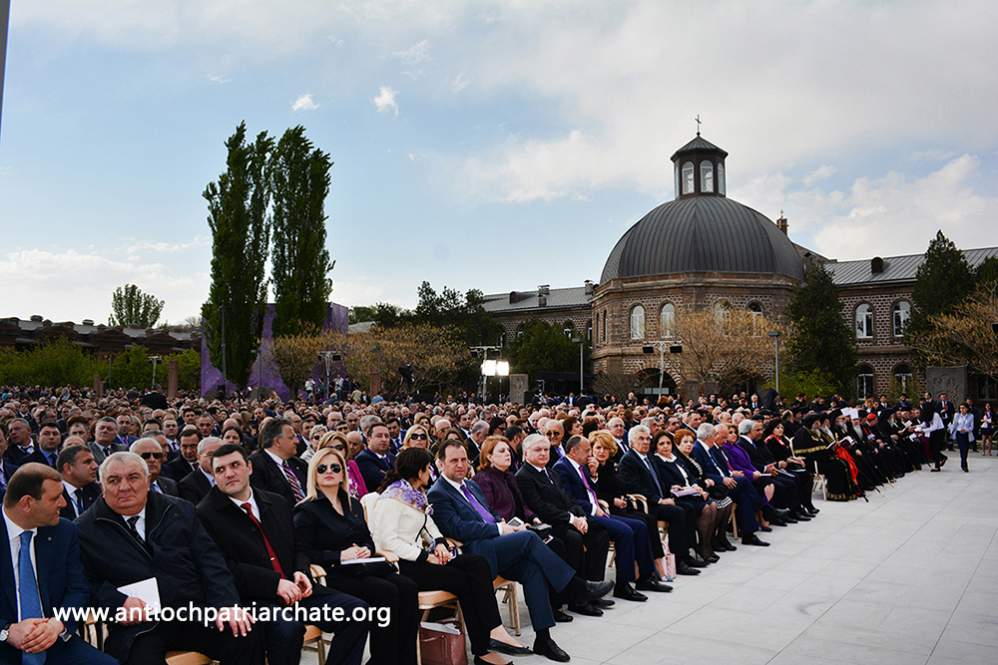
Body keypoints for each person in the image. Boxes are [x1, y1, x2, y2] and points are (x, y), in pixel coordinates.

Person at [427, 439, 613, 662]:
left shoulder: (470, 485)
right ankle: (577, 587)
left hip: (498, 544)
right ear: (440, 463)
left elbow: (490, 513)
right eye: (453, 460)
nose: (460, 465)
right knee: (530, 538)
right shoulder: (438, 492)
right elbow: (457, 528)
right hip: (476, 552)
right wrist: (500, 529)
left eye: (464, 460)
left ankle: (543, 639)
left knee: (532, 569)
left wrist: (506, 525)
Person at [76, 452, 264, 664]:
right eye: (113, 480)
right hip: (140, 625)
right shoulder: (84, 530)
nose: (124, 487)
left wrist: (226, 604)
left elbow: (210, 562)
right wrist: (118, 602)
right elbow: (85, 583)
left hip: (191, 611)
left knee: (243, 633)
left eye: (133, 477)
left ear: (148, 480)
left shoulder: (179, 510)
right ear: (102, 486)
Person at [198, 444, 370, 665]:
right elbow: (222, 568)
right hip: (254, 599)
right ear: (214, 477)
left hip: (297, 592)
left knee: (357, 611)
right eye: (220, 470)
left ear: (249, 467)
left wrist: (300, 570)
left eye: (235, 465)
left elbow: (299, 547)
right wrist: (274, 584)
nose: (229, 473)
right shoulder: (205, 514)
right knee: (288, 628)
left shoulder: (277, 502)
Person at [367, 448, 517, 665]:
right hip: (403, 564)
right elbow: (387, 542)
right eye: (428, 468)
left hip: (423, 556)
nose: (430, 472)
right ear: (419, 471)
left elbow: (429, 525)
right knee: (463, 581)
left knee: (476, 564)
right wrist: (424, 556)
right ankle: (482, 648)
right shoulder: (392, 498)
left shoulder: (414, 493)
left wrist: (439, 543)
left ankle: (493, 630)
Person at [294, 445, 420, 665]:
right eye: (322, 468)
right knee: (386, 591)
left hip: (363, 567)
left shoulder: (353, 504)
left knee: (408, 587)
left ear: (343, 473)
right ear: (313, 473)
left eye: (335, 467)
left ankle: (404, 659)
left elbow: (367, 539)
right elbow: (302, 552)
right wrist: (339, 555)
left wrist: (367, 549)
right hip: (333, 573)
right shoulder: (306, 510)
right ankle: (384, 660)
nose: (329, 471)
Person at [1, 463, 118, 665]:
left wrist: (58, 624)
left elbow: (78, 589)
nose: (63, 503)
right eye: (55, 498)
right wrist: (6, 631)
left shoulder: (63, 531)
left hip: (54, 641)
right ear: (27, 503)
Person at [555, 434, 669, 598]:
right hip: (584, 514)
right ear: (574, 451)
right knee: (625, 531)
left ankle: (645, 577)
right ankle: (623, 585)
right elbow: (569, 499)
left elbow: (591, 491)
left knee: (640, 526)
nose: (590, 454)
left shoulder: (581, 466)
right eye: (587, 450)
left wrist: (594, 475)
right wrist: (594, 508)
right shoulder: (562, 467)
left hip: (597, 510)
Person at [516, 434, 612, 614]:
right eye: (538, 450)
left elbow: (568, 499)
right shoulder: (524, 476)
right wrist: (571, 519)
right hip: (549, 523)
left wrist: (580, 516)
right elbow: (541, 507)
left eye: (546, 449)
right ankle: (577, 599)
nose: (543, 453)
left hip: (565, 518)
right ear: (526, 453)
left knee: (599, 533)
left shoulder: (550, 472)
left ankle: (592, 590)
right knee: (573, 539)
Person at [616, 425, 703, 572]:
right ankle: (678, 561)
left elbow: (658, 481)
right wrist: (659, 500)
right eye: (641, 439)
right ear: (631, 442)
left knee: (688, 508)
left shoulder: (648, 456)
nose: (645, 442)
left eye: (647, 439)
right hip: (644, 504)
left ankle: (685, 554)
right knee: (678, 512)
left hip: (656, 500)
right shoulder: (629, 459)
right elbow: (634, 487)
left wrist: (671, 488)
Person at [651, 431, 720, 563]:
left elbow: (690, 476)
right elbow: (665, 482)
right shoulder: (657, 460)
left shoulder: (675, 457)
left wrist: (695, 485)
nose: (665, 446)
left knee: (713, 505)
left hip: (690, 492)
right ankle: (698, 548)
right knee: (704, 509)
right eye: (661, 444)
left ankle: (705, 545)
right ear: (656, 446)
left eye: (668, 443)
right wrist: (677, 487)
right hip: (679, 496)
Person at [672, 430, 737, 553]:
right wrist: (704, 484)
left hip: (702, 488)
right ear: (677, 444)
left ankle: (720, 537)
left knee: (727, 501)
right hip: (693, 492)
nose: (689, 444)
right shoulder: (679, 458)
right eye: (685, 442)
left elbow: (700, 474)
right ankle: (708, 542)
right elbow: (690, 478)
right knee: (714, 506)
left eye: (691, 442)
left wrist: (705, 482)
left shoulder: (691, 456)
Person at [249, 418, 308, 506]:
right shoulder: (255, 466)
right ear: (277, 442)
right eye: (291, 438)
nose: (297, 441)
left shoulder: (299, 464)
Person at [317, 431, 368, 498]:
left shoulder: (351, 464)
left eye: (339, 448)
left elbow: (364, 492)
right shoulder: (320, 470)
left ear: (346, 450)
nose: (335, 451)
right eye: (329, 448)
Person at [57, 443, 100, 520]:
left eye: (94, 461)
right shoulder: (53, 494)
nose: (95, 466)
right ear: (68, 468)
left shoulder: (97, 490)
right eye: (87, 462)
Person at [354, 423, 395, 493]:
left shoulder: (391, 456)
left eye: (386, 436)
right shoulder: (363, 459)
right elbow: (383, 481)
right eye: (379, 436)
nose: (384, 439)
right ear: (368, 439)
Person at [178, 436, 221, 504]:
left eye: (219, 454)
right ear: (198, 457)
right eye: (210, 454)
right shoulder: (187, 484)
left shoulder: (230, 475)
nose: (216, 459)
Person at [950, 404, 975, 473]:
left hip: (966, 434)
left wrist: (966, 430)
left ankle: (962, 462)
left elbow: (972, 427)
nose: (962, 410)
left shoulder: (971, 416)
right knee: (962, 449)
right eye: (960, 408)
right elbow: (954, 425)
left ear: (967, 409)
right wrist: (951, 431)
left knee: (966, 450)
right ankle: (965, 465)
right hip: (959, 434)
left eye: (963, 408)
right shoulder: (957, 415)